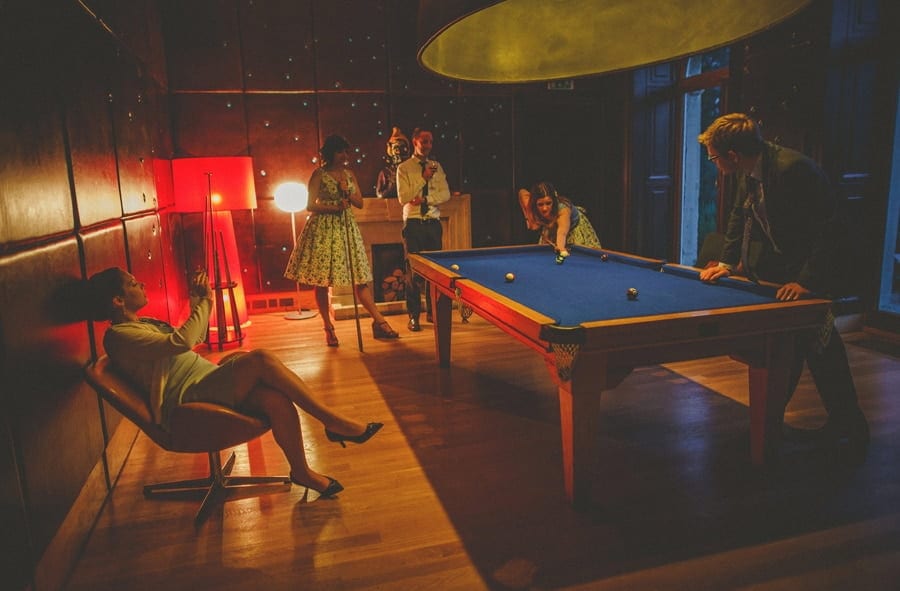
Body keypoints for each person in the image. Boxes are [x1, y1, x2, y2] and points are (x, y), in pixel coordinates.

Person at [87, 266, 384, 498]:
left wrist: (199, 302)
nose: (141, 284)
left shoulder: (141, 324)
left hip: (203, 382)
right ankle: (332, 421)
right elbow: (184, 341)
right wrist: (206, 300)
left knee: (274, 399)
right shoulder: (120, 336)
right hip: (185, 401)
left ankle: (302, 472)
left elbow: (196, 337)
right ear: (117, 300)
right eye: (132, 283)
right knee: (261, 359)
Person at [697, 112, 869, 458]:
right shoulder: (752, 168)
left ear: (733, 155)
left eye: (714, 157)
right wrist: (728, 263)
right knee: (792, 346)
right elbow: (738, 216)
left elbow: (829, 229)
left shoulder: (793, 169)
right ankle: (775, 425)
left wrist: (807, 282)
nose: (714, 163)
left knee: (819, 347)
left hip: (819, 270)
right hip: (790, 266)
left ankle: (850, 428)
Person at [284, 134, 400, 346]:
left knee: (360, 278)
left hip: (346, 227)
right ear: (330, 153)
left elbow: (359, 203)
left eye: (346, 152)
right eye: (340, 152)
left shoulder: (349, 174)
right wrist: (334, 207)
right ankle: (328, 328)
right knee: (322, 281)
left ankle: (379, 322)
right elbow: (310, 205)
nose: (344, 156)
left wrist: (347, 192)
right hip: (324, 230)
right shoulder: (319, 174)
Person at [396, 127, 452, 331]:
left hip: (432, 225)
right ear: (415, 142)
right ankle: (413, 317)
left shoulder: (437, 166)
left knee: (435, 273)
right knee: (413, 273)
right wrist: (423, 178)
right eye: (424, 141)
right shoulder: (404, 168)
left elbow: (445, 194)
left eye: (430, 142)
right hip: (413, 225)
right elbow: (403, 198)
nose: (428, 145)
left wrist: (426, 199)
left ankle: (433, 313)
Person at [518, 181, 601, 260]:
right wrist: (528, 218)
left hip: (573, 230)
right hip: (552, 228)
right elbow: (522, 192)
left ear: (553, 201)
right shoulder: (530, 204)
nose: (544, 208)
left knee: (580, 258)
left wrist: (561, 248)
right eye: (540, 204)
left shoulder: (563, 210)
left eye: (548, 203)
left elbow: (562, 232)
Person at [375, 127, 410, 199]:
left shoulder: (411, 170)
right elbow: (379, 195)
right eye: (396, 148)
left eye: (402, 147)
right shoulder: (385, 172)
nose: (399, 151)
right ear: (391, 150)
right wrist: (392, 185)